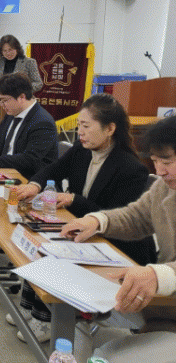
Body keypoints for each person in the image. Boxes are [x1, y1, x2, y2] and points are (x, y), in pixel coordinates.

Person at [8, 94, 156, 343]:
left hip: (119, 246)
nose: (80, 133)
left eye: (86, 126)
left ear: (110, 129)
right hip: (87, 234)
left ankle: (48, 320)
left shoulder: (131, 169)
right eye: (79, 126)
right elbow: (53, 169)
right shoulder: (82, 149)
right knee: (39, 241)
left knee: (55, 252)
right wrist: (34, 185)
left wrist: (73, 200)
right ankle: (30, 307)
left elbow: (115, 219)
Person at [62, 115, 176, 362]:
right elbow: (136, 217)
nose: (160, 171)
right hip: (164, 307)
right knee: (78, 306)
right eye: (155, 161)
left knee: (107, 356)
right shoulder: (165, 187)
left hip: (168, 307)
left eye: (167, 161)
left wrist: (160, 274)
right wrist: (98, 221)